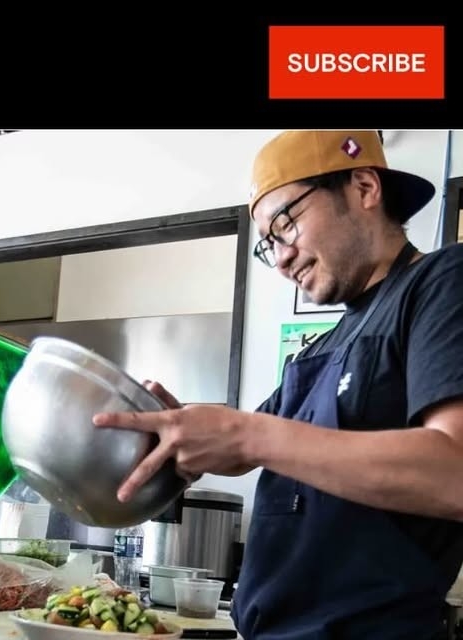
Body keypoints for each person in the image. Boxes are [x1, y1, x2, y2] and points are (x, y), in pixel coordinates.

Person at [93, 130, 463, 639]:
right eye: (269, 244)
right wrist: (181, 433)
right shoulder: (318, 349)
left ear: (364, 187)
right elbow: (245, 444)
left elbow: (453, 472)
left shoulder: (442, 282)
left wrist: (245, 435)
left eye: (286, 224)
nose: (282, 258)